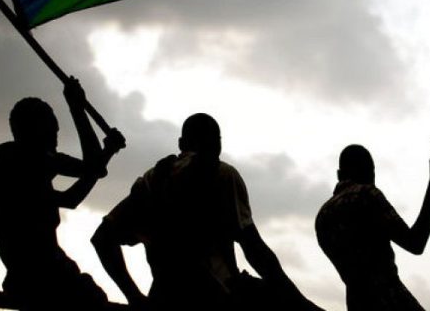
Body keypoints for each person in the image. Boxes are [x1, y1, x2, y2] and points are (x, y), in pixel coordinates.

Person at [91, 112, 323, 311]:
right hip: (216, 297)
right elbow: (255, 251)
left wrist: (135, 298)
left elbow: (102, 238)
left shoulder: (151, 180)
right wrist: (300, 303)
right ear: (218, 144)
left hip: (165, 297)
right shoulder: (223, 174)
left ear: (181, 143)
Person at [0, 78, 126, 311]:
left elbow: (80, 186)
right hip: (46, 277)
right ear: (36, 130)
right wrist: (77, 108)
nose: (56, 138)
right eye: (52, 131)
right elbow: (90, 169)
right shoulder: (24, 160)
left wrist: (107, 152)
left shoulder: (11, 162)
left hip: (28, 277)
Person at [315, 144, 430, 311]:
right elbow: (415, 243)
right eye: (373, 171)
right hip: (391, 300)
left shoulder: (323, 217)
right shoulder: (366, 195)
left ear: (339, 175)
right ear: (369, 172)